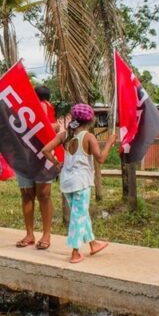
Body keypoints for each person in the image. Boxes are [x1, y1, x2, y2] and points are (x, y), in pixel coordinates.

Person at [42, 103, 115, 263]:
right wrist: (109, 143)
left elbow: (45, 150)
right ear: (90, 120)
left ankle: (93, 243)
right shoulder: (88, 137)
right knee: (78, 216)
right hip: (81, 182)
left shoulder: (64, 135)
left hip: (66, 182)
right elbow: (101, 159)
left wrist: (57, 163)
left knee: (81, 213)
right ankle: (75, 252)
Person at [16, 84, 56, 250]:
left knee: (42, 195)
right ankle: (30, 234)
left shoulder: (47, 108)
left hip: (41, 157)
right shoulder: (21, 110)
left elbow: (54, 127)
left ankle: (45, 234)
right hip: (25, 156)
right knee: (29, 195)